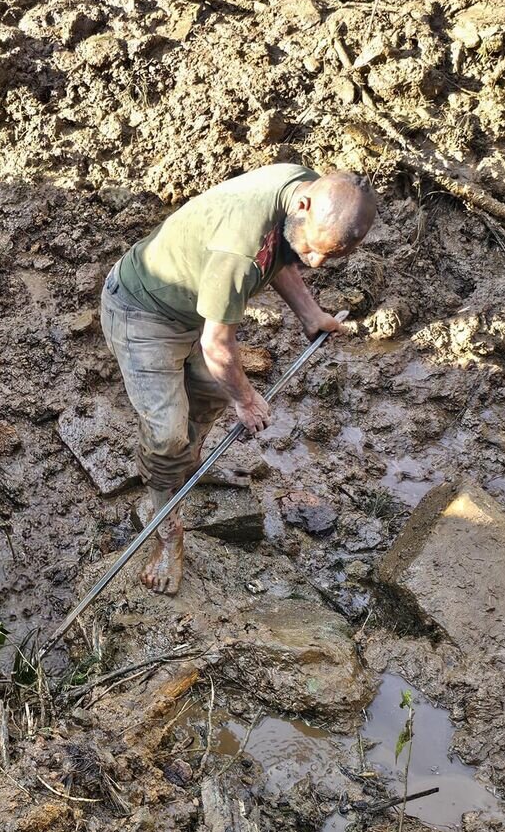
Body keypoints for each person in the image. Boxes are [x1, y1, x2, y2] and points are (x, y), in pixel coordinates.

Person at [100, 164, 377, 595]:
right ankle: (166, 529)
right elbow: (218, 347)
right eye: (314, 248)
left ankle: (182, 469)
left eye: (330, 256)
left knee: (211, 392)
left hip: (195, 305)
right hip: (143, 312)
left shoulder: (299, 193)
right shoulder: (241, 249)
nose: (316, 261)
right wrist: (247, 401)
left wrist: (310, 313)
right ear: (304, 205)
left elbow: (279, 255)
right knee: (167, 432)